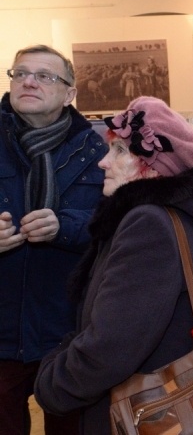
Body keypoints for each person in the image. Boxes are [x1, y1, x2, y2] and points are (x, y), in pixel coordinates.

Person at [34, 96, 193, 435]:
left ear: (154, 167)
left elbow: (113, 344)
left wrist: (55, 383)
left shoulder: (148, 225)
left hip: (135, 412)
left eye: (121, 151)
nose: (103, 163)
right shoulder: (165, 215)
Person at [0, 45, 107, 435]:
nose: (29, 81)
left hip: (68, 331)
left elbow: (112, 225)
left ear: (69, 93)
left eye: (45, 76)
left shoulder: (97, 149)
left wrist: (64, 226)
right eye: (20, 73)